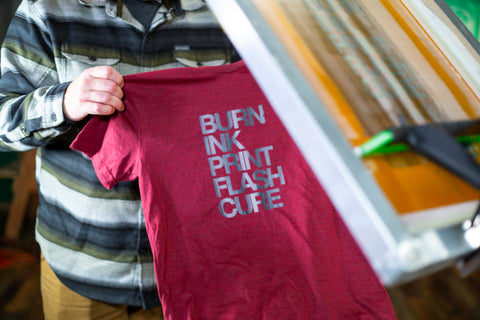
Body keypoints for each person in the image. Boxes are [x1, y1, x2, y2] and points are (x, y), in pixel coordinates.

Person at [0, 0, 238, 318]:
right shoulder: (48, 9)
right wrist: (65, 103)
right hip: (82, 266)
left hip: (192, 272)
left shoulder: (227, 16)